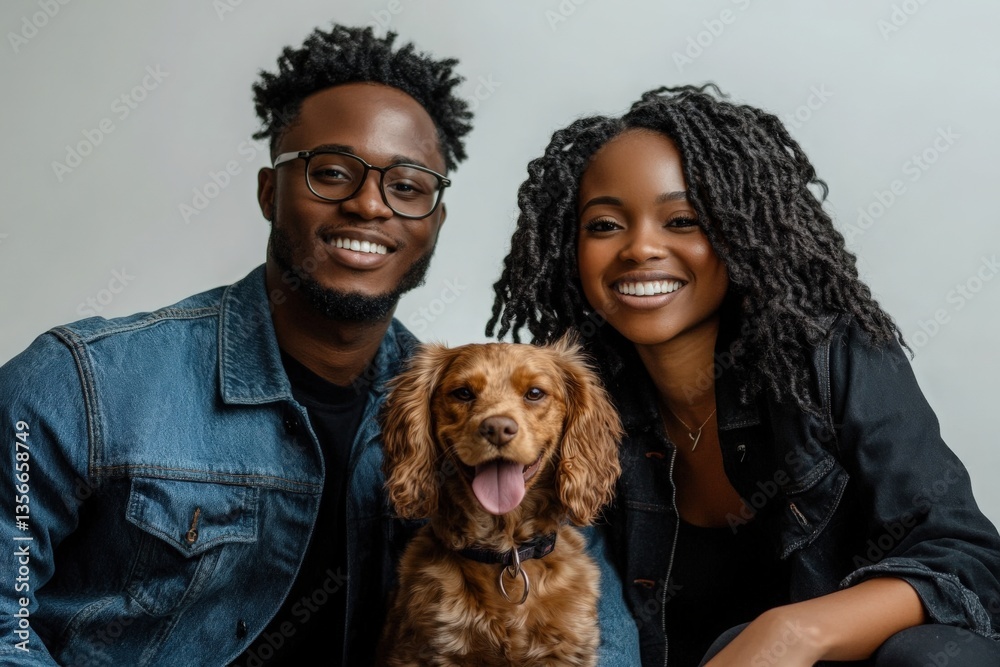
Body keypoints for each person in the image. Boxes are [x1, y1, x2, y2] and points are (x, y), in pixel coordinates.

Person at [0, 25, 636, 666]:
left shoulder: (454, 407)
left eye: (407, 186)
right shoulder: (79, 385)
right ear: (269, 191)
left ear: (434, 221)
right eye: (331, 173)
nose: (369, 205)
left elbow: (602, 640)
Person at [488, 84, 1000, 666]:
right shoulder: (562, 399)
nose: (640, 248)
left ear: (741, 231)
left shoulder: (831, 359)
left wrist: (792, 633)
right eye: (604, 225)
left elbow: (967, 561)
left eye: (682, 220)